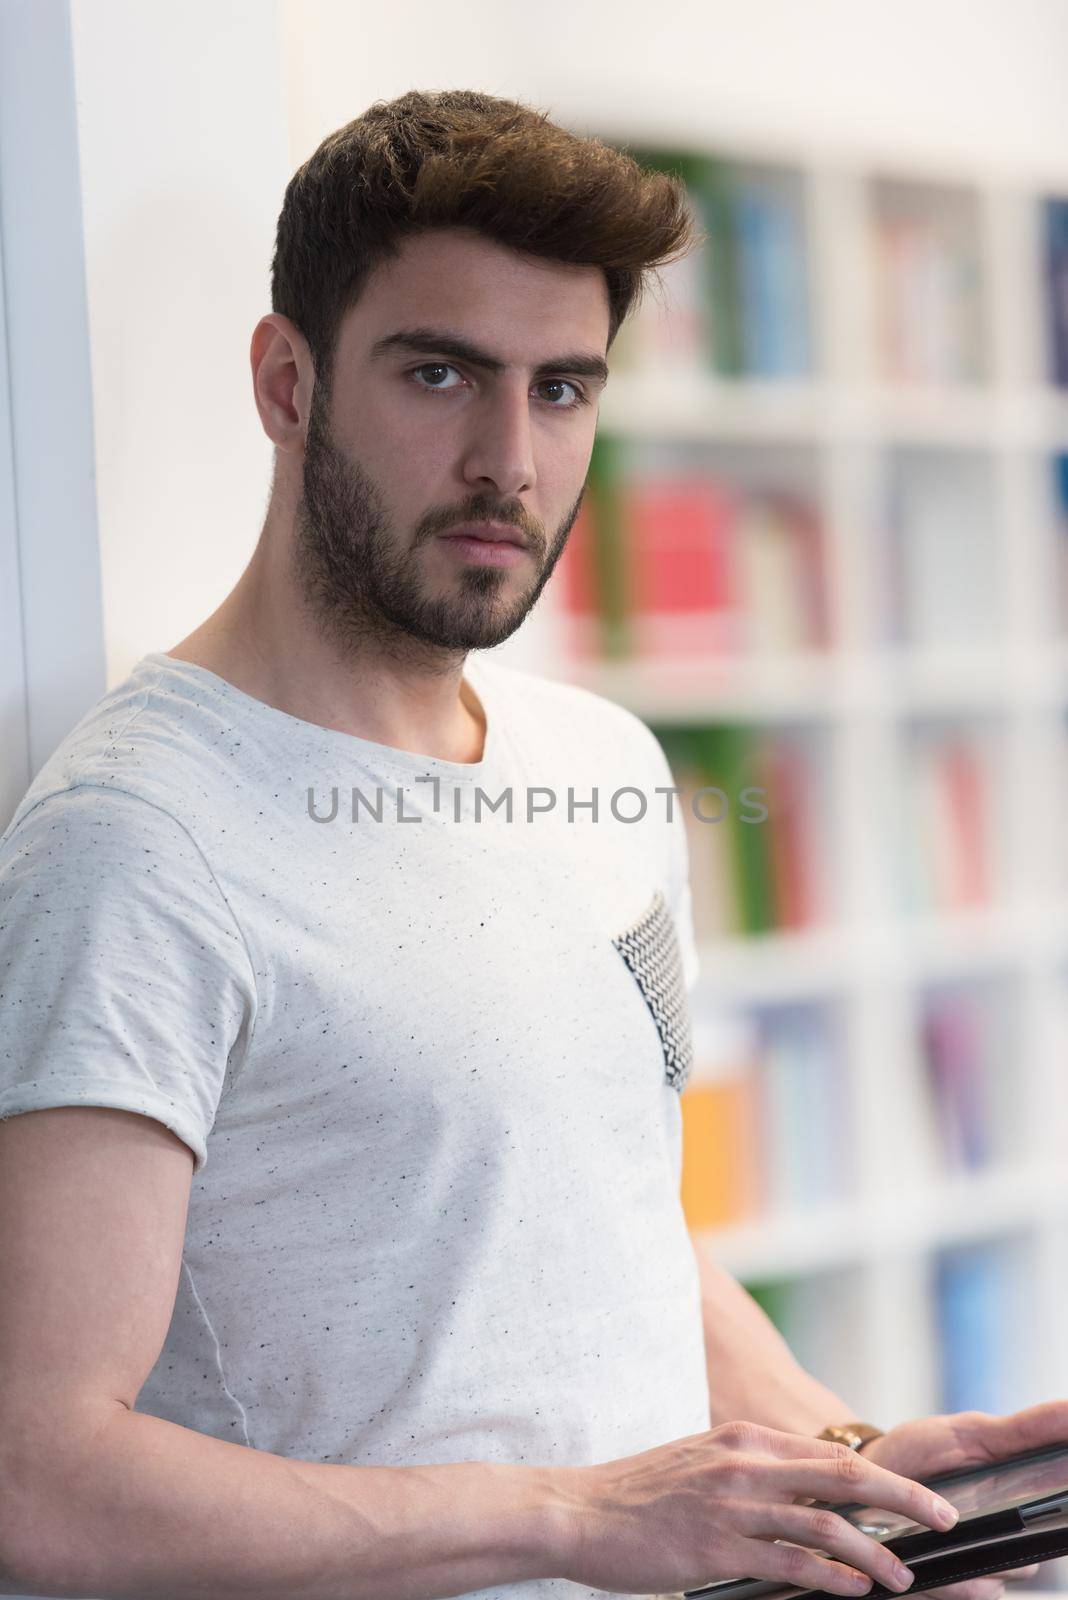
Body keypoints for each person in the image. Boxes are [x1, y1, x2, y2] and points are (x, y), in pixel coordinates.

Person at [0, 87, 1060, 1600]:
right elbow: (37, 1473)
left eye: (563, 390)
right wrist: (567, 1516)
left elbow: (619, 1231)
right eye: (442, 375)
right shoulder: (136, 843)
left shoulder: (602, 765)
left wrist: (850, 1474)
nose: (509, 456)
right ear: (286, 382)